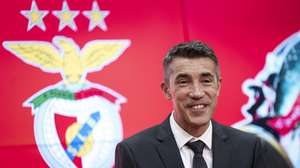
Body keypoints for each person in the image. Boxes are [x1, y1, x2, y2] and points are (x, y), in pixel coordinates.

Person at [114, 41, 291, 168]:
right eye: (184, 82)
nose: (197, 93)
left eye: (206, 81)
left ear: (218, 86)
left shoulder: (251, 148)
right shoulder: (134, 152)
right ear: (167, 90)